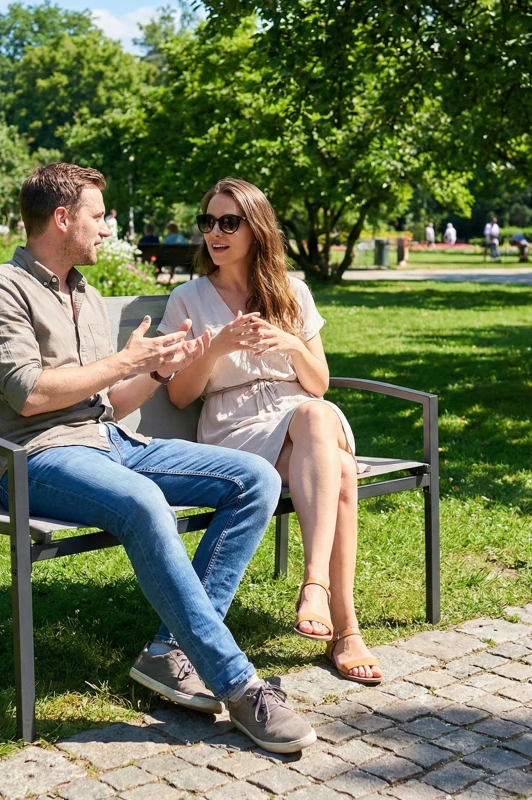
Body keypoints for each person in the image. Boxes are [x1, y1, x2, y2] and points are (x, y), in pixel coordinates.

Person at [0, 163, 316, 753]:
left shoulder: (86, 294)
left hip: (111, 444)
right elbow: (30, 396)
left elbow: (110, 402)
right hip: (38, 457)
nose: (106, 229)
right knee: (146, 503)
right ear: (62, 218)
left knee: (252, 478)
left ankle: (169, 652)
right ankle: (238, 683)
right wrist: (127, 361)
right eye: (98, 217)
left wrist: (156, 368)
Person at [157, 177, 383, 685]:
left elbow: (318, 383)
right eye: (208, 222)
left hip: (299, 422)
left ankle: (319, 590)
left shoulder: (291, 291)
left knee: (317, 418)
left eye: (229, 222)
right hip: (234, 430)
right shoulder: (188, 299)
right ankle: (342, 625)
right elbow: (177, 395)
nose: (215, 232)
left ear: (256, 230)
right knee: (340, 468)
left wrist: (290, 343)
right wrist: (215, 349)